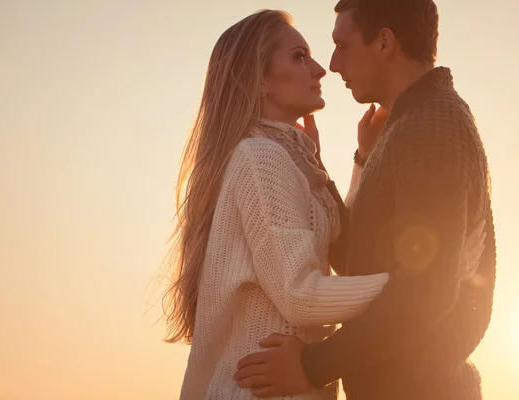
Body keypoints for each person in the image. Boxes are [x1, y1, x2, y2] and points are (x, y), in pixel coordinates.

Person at [162, 8, 485, 400]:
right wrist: (424, 284)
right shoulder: (264, 157)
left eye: (340, 46)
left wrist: (429, 285)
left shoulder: (432, 124)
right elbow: (343, 269)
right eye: (300, 57)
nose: (326, 67)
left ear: (384, 42)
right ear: (259, 80)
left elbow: (366, 265)